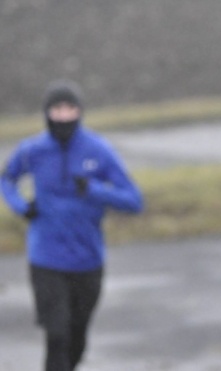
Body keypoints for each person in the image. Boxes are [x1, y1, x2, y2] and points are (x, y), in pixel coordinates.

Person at [1, 79, 144, 371]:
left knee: (76, 338)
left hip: (87, 258)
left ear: (80, 111)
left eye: (70, 108)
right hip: (46, 257)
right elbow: (6, 178)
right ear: (46, 113)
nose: (64, 115)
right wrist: (21, 206)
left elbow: (134, 200)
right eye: (57, 109)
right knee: (56, 335)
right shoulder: (33, 150)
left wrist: (94, 190)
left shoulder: (98, 150)